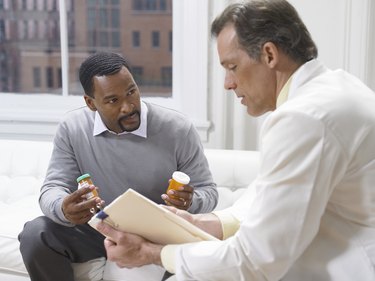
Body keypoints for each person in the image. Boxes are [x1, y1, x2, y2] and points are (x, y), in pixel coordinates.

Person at [94, 0, 375, 280]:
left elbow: (255, 260)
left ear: (269, 54)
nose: (228, 83)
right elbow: (266, 196)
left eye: (232, 67)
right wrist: (199, 222)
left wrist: (154, 253)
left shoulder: (304, 117)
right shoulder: (337, 88)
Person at [18, 51, 218, 281]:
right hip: (97, 229)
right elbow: (53, 187)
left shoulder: (177, 128)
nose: (128, 106)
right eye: (113, 100)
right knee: (36, 234)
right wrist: (64, 208)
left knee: (187, 257)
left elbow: (208, 191)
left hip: (155, 235)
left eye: (132, 92)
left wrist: (191, 201)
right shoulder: (72, 128)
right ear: (90, 103)